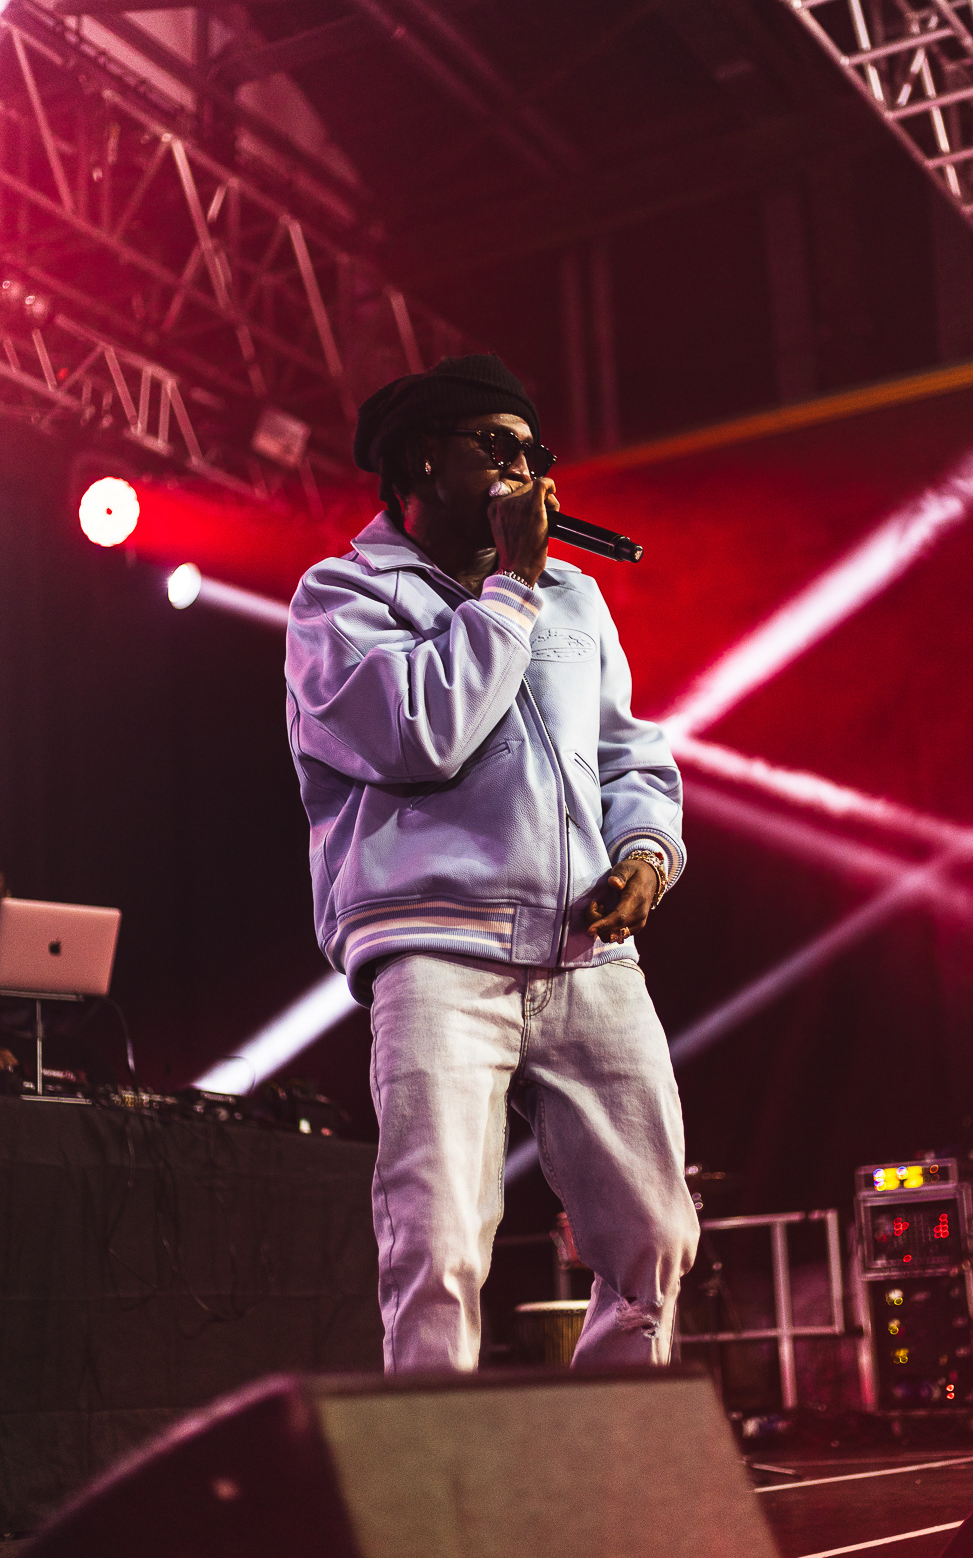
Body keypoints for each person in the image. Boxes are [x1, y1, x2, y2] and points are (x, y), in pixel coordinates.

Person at [285, 354, 699, 1372]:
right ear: (424, 459)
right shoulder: (342, 599)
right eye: (501, 449)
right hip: (440, 951)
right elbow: (419, 734)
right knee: (439, 1247)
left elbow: (630, 760)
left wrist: (646, 854)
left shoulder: (575, 600)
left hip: (586, 954)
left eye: (536, 454)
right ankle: (440, 1470)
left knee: (655, 1235)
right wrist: (511, 586)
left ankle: (614, 1454)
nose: (530, 475)